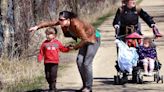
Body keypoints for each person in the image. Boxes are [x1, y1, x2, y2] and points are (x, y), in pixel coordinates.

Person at [29, 11, 101, 92]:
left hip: (94, 38)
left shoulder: (77, 25)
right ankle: (85, 85)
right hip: (85, 39)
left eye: (62, 19)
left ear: (68, 20)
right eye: (59, 19)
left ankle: (88, 87)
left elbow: (84, 39)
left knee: (86, 63)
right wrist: (37, 27)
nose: (60, 21)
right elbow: (50, 23)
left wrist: (75, 47)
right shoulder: (63, 23)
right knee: (79, 61)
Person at [37, 27, 70, 92]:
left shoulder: (57, 43)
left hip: (54, 62)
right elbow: (41, 52)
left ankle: (52, 88)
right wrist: (39, 58)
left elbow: (63, 49)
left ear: (54, 35)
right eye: (46, 34)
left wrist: (68, 48)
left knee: (53, 75)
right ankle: (51, 86)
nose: (47, 36)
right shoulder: (44, 44)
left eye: (49, 34)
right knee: (47, 76)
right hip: (47, 62)